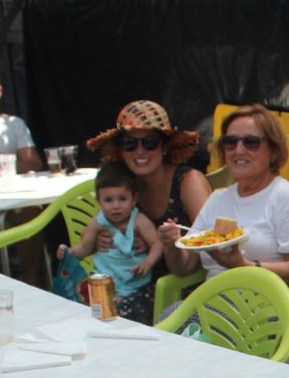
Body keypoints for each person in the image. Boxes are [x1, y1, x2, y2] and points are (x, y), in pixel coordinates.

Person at [85, 100, 212, 321]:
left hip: (181, 287)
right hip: (130, 280)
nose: (140, 151)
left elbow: (208, 249)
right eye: (130, 144)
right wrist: (103, 240)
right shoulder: (124, 185)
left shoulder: (188, 182)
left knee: (113, 316)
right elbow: (100, 226)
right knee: (82, 308)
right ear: (121, 150)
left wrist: (169, 245)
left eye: (150, 142)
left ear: (164, 147)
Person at [188, 104, 289, 287]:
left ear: (273, 151)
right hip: (213, 299)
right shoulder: (217, 198)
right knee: (169, 314)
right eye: (230, 142)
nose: (239, 150)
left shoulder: (285, 197)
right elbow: (184, 265)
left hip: (263, 304)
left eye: (251, 142)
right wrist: (170, 245)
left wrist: (244, 266)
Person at [58, 162, 163, 324]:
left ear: (134, 199)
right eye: (108, 200)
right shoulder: (98, 222)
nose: (116, 206)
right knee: (83, 312)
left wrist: (148, 263)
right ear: (99, 201)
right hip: (103, 285)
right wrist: (68, 252)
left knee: (126, 316)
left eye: (122, 199)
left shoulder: (139, 221)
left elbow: (157, 243)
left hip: (135, 286)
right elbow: (85, 247)